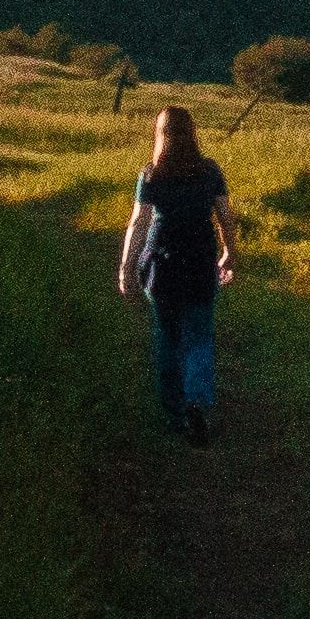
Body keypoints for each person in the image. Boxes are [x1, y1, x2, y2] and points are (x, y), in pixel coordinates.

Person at [117, 105, 237, 444]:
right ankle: (196, 400)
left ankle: (174, 412)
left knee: (168, 337)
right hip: (200, 259)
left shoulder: (152, 174)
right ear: (192, 132)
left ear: (160, 134)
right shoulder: (210, 171)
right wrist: (229, 252)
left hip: (162, 263)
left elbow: (138, 223)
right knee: (199, 333)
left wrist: (126, 268)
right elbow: (225, 217)